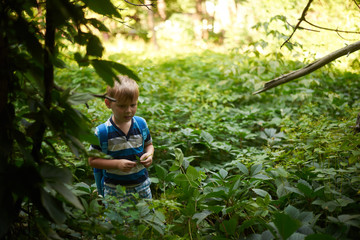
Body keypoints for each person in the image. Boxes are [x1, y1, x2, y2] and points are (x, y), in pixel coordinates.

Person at [88, 75, 154, 202]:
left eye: (133, 105)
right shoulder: (102, 132)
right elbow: (92, 160)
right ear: (108, 103)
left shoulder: (141, 124)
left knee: (145, 218)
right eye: (122, 106)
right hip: (114, 189)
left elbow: (149, 145)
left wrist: (149, 155)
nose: (128, 110)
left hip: (142, 186)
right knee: (117, 220)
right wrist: (117, 164)